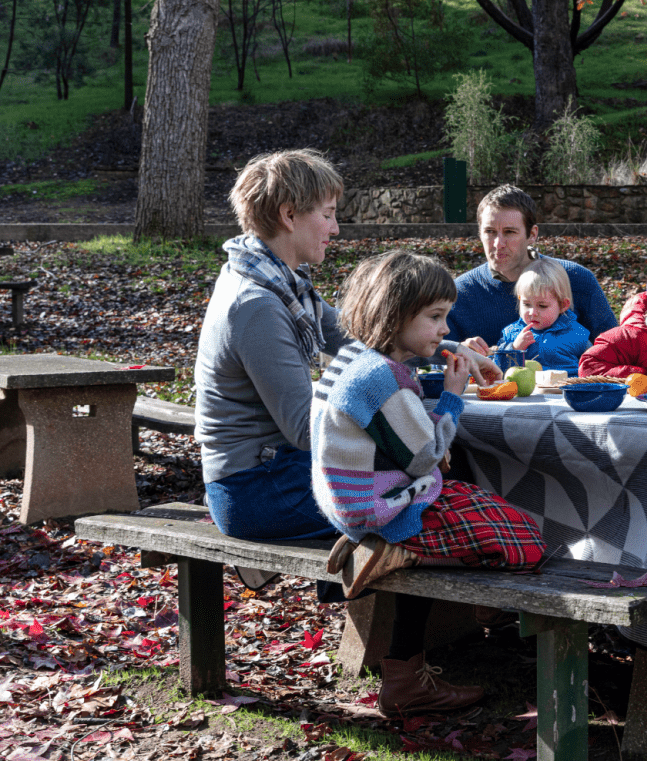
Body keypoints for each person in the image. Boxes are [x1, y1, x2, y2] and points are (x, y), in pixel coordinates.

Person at [194, 148, 498, 541]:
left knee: (443, 474)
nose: (335, 228)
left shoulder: (278, 283)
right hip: (259, 488)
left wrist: (453, 349)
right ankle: (376, 591)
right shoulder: (257, 305)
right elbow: (307, 430)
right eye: (327, 214)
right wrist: (409, 444)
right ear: (289, 216)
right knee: (443, 495)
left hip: (278, 471)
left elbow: (361, 331)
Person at [312, 250, 546, 715]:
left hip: (355, 497)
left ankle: (405, 664)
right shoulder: (383, 380)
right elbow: (426, 458)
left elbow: (404, 432)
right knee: (528, 542)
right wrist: (453, 399)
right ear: (394, 315)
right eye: (436, 318)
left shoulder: (355, 359)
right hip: (388, 504)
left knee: (475, 494)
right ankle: (400, 548)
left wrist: (451, 351)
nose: (445, 329)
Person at [448, 185, 617, 352]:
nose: (498, 244)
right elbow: (431, 361)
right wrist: (456, 350)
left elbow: (617, 349)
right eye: (490, 231)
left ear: (532, 234)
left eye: (509, 232)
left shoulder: (576, 279)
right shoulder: (459, 293)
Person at [491, 257, 592, 376]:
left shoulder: (577, 334)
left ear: (563, 305)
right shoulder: (512, 334)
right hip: (524, 392)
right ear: (519, 299)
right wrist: (514, 349)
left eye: (542, 305)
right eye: (526, 304)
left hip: (564, 391)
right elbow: (494, 370)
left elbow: (594, 364)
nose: (532, 312)